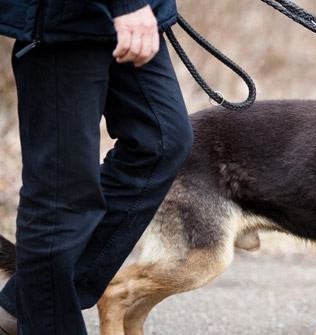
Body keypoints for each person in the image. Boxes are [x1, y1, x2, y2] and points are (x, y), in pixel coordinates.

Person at [0, 0, 193, 333]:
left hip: (129, 14)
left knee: (160, 143)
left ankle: (21, 309)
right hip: (64, 18)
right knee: (62, 194)